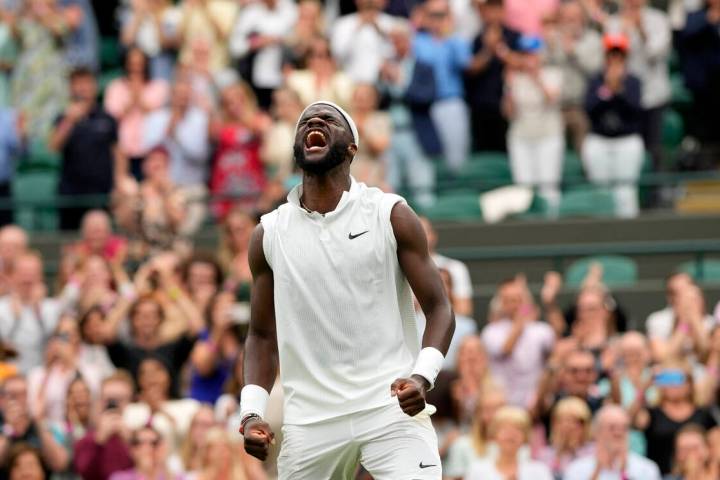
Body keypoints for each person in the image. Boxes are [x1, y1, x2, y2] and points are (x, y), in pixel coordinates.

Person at [239, 100, 455, 478]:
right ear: (297, 148)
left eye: (329, 120)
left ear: (352, 148)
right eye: (305, 121)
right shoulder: (268, 233)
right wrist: (252, 411)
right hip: (309, 422)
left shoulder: (391, 214)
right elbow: (260, 335)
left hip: (390, 406)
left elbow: (439, 308)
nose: (314, 122)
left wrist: (423, 376)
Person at [582, 33, 645, 218]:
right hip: (599, 140)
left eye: (620, 55)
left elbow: (634, 109)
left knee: (625, 192)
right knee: (601, 193)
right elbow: (590, 109)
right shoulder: (595, 80)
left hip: (626, 141)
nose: (615, 60)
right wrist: (608, 88)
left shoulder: (633, 81)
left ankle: (629, 240)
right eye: (611, 55)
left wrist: (619, 90)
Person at [604, 0, 671, 170]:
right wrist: (624, 33)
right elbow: (613, 58)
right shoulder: (614, 22)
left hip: (653, 95)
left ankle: (658, 192)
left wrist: (641, 30)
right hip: (625, 95)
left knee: (654, 147)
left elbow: (656, 54)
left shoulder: (659, 19)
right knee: (628, 147)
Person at [49, 67, 118, 230]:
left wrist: (118, 183)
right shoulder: (63, 118)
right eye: (77, 83)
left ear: (95, 86)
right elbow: (53, 147)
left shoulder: (107, 117)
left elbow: (117, 152)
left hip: (101, 192)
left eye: (86, 82)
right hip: (71, 193)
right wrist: (69, 121)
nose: (82, 87)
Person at [380, 21, 439, 209]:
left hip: (415, 132)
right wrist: (383, 81)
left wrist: (400, 82)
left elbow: (426, 97)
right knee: (389, 187)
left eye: (400, 40)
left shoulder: (424, 68)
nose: (396, 44)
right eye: (393, 41)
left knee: (422, 186)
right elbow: (380, 102)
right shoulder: (387, 68)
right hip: (390, 133)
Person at [504, 34, 565, 214]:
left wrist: (536, 77)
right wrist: (508, 87)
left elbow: (552, 99)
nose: (529, 59)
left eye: (532, 54)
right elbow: (509, 113)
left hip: (548, 136)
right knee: (523, 188)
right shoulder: (514, 78)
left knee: (548, 187)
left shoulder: (553, 74)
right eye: (525, 54)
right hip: (521, 137)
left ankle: (552, 225)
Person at [414, 0, 471, 173]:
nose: (437, 20)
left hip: (450, 102)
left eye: (441, 15)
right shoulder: (418, 41)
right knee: (428, 161)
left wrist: (447, 33)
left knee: (457, 159)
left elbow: (464, 64)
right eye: (433, 15)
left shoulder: (456, 40)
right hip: (425, 106)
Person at [481, 278, 555, 408]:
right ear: (501, 303)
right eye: (509, 300)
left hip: (535, 405)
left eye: (518, 299)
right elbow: (505, 350)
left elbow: (554, 356)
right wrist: (520, 322)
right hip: (503, 405)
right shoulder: (491, 331)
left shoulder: (542, 330)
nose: (515, 304)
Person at [632, 363, 717, 474]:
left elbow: (716, 445)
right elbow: (631, 420)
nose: (673, 385)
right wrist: (644, 388)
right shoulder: (652, 413)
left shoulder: (704, 413)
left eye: (678, 379)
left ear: (690, 385)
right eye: (668, 379)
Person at [544, 0, 603, 153]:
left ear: (583, 19)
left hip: (582, 107)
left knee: (586, 155)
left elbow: (596, 71)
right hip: (554, 108)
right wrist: (549, 49)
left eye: (574, 18)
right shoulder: (551, 39)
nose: (570, 23)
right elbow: (540, 68)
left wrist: (573, 51)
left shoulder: (593, 39)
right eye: (566, 18)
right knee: (552, 154)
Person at [104, 47, 170, 179]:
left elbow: (157, 115)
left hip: (150, 152)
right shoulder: (115, 87)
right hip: (123, 154)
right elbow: (112, 118)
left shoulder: (159, 86)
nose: (136, 69)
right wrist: (131, 100)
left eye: (139, 64)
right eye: (132, 64)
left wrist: (138, 95)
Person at [465, 0, 520, 153]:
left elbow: (522, 64)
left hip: (508, 105)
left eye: (497, 10)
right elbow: (471, 69)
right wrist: (488, 49)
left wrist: (500, 50)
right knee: (483, 152)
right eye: (490, 10)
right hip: (482, 105)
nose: (493, 15)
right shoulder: (477, 39)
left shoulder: (514, 36)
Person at [208, 82, 269, 219]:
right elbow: (213, 133)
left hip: (250, 185)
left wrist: (244, 115)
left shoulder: (258, 119)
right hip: (225, 184)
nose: (234, 105)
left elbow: (263, 128)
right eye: (228, 102)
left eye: (239, 100)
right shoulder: (221, 124)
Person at [10, 0, 69, 140]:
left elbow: (60, 30)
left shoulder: (59, 18)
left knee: (51, 122)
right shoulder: (24, 22)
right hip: (27, 80)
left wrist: (43, 10)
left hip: (50, 79)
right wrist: (25, 8)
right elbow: (13, 29)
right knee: (24, 123)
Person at [143, 76, 210, 194]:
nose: (182, 99)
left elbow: (201, 155)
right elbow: (148, 150)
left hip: (192, 186)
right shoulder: (156, 117)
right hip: (161, 186)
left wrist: (178, 135)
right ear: (171, 94)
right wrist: (167, 131)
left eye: (185, 94)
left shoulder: (200, 118)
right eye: (179, 94)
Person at [228, 0, 297, 109]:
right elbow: (235, 46)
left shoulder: (289, 9)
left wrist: (280, 41)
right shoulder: (251, 13)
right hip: (254, 79)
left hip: (283, 77)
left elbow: (297, 38)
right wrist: (256, 43)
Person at [0, 252, 61, 373]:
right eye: (23, 273)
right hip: (8, 375)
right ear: (12, 276)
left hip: (42, 375)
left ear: (40, 277)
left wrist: (38, 314)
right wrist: (16, 320)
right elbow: (3, 348)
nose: (27, 279)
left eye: (32, 274)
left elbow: (53, 345)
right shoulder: (1, 307)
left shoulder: (53, 308)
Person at [564, 405, 661, 480]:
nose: (618, 433)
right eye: (612, 428)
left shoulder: (646, 469)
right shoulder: (577, 470)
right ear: (596, 432)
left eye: (624, 428)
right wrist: (596, 472)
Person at [73, 371, 135, 480]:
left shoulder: (142, 436)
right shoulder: (86, 441)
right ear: (99, 402)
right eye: (109, 400)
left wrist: (131, 442)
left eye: (120, 400)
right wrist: (98, 442)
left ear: (131, 402)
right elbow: (84, 472)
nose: (114, 405)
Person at [465, 406, 553, 480]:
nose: (511, 434)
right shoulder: (478, 470)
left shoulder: (539, 471)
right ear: (494, 434)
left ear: (525, 436)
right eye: (504, 429)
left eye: (518, 428)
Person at [443, 388, 508, 479]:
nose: (494, 415)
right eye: (488, 409)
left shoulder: (518, 448)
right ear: (479, 414)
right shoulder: (462, 445)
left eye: (499, 408)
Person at [330, 0, 398, 84]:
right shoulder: (342, 24)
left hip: (382, 85)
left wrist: (380, 31)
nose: (369, 1)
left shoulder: (391, 23)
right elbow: (338, 55)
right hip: (351, 82)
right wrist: (357, 28)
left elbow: (396, 54)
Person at [419, 216, 473, 317]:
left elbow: (464, 310)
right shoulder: (394, 269)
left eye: (423, 231)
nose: (418, 235)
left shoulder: (455, 267)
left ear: (434, 236)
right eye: (414, 231)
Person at [286, 35, 355, 110]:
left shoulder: (342, 79)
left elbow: (346, 105)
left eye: (322, 55)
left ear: (331, 58)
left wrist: (330, 80)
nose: (316, 60)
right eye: (312, 54)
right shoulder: (296, 78)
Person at [120, 0, 181, 81]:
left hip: (160, 56)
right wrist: (139, 16)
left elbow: (167, 44)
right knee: (134, 59)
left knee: (160, 63)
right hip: (139, 55)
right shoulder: (133, 13)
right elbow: (126, 41)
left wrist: (157, 20)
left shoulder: (172, 14)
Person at [535, 396, 594, 479]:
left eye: (575, 421)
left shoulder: (593, 453)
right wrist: (559, 453)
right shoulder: (544, 455)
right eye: (563, 421)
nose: (568, 427)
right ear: (554, 425)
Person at [347, 84, 391, 189]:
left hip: (373, 171)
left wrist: (362, 131)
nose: (361, 100)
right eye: (359, 96)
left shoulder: (381, 119)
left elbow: (380, 147)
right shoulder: (346, 118)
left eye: (366, 96)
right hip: (348, 171)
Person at [109, 426, 185, 480]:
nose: (147, 448)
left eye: (154, 443)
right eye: (139, 443)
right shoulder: (119, 478)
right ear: (131, 449)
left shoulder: (177, 478)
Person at [0, 108, 24, 225]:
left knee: (6, 234)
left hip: (2, 187)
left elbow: (21, 153)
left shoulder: (7, 117)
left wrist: (21, 134)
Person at [0, 225, 28, 297]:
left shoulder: (31, 277)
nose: (8, 251)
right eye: (4, 246)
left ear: (24, 250)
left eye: (15, 246)